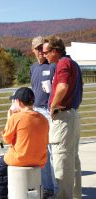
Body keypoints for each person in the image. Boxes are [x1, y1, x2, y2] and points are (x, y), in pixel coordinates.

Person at [0, 87, 49, 199]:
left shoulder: (16, 117)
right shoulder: (43, 119)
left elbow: (6, 139)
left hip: (20, 158)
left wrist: (9, 118)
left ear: (18, 102)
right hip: (39, 159)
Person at [43, 36, 83, 199]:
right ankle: (74, 195)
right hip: (72, 115)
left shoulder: (63, 64)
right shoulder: (72, 63)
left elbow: (63, 86)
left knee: (61, 162)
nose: (44, 55)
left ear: (54, 51)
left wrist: (53, 106)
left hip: (64, 118)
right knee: (72, 160)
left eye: (46, 52)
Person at [30, 36, 58, 198]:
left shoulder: (54, 66)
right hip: (36, 111)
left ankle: (56, 187)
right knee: (42, 151)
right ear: (33, 50)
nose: (41, 51)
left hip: (50, 112)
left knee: (53, 150)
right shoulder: (33, 68)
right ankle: (47, 187)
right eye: (37, 48)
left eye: (43, 48)